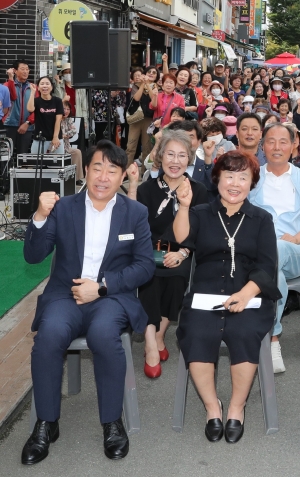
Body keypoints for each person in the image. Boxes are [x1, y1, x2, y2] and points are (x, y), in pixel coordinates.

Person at [22, 141, 155, 464]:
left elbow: (145, 265)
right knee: (50, 335)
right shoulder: (63, 207)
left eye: (112, 170)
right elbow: (33, 255)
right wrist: (40, 215)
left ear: (122, 175)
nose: (103, 177)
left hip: (109, 297)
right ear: (86, 170)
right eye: (97, 167)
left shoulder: (135, 212)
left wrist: (104, 287)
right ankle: (46, 423)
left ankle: (112, 422)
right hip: (64, 296)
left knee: (103, 336)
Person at [172, 151, 280, 444]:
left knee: (244, 330)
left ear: (251, 183)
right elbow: (182, 239)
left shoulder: (261, 219)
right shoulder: (202, 212)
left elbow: (267, 264)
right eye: (229, 175)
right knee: (196, 330)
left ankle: (236, 406)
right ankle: (212, 407)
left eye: (243, 177)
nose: (235, 183)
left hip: (249, 294)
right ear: (217, 178)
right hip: (205, 294)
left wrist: (245, 294)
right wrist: (183, 206)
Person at [126, 130, 208, 378]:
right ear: (160, 158)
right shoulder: (147, 189)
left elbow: (200, 229)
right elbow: (133, 224)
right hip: (147, 251)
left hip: (181, 252)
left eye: (182, 155)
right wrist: (132, 185)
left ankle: (158, 334)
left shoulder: (199, 189)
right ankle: (152, 342)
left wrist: (183, 253)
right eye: (170, 154)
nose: (175, 161)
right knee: (147, 278)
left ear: (189, 159)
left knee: (176, 279)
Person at [248, 123, 300, 373]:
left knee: (276, 250)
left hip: (296, 249)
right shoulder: (252, 177)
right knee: (272, 269)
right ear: (263, 146)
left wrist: (298, 238)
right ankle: (273, 337)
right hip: (260, 254)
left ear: (293, 147)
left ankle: (269, 336)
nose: (276, 147)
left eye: (283, 141)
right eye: (270, 141)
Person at [4, 60, 35, 156]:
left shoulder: (33, 87)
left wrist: (28, 122)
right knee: (7, 155)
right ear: (15, 71)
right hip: (10, 125)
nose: (25, 71)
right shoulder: (7, 85)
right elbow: (13, 97)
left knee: (23, 155)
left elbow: (37, 108)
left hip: (27, 126)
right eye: (22, 69)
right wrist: (11, 79)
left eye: (27, 69)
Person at [27, 76, 64, 154]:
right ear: (38, 87)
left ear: (51, 87)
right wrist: (32, 92)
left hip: (56, 139)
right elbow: (30, 109)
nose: (44, 86)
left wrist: (55, 137)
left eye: (47, 84)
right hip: (39, 139)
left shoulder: (57, 101)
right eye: (42, 84)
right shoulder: (36, 101)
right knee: (36, 163)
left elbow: (58, 120)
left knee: (57, 164)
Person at [60, 100, 85, 185]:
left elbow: (74, 131)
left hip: (66, 146)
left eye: (68, 109)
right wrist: (62, 136)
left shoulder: (68, 119)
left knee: (77, 152)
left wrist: (64, 135)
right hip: (57, 146)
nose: (66, 111)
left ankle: (77, 178)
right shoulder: (56, 119)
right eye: (64, 109)